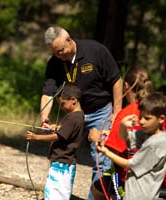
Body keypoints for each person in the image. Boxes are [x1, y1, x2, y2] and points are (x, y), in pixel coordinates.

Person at [40, 26, 123, 199]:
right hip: (74, 115)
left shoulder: (95, 51)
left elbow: (116, 80)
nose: (59, 55)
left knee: (102, 159)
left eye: (61, 50)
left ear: (69, 40)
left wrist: (117, 112)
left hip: (100, 111)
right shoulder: (55, 62)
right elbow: (48, 91)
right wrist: (44, 116)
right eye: (55, 52)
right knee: (62, 151)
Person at [89, 67, 166, 198]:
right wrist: (120, 127)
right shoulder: (157, 114)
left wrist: (96, 139)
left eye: (145, 119)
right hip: (165, 173)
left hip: (138, 177)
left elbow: (115, 151)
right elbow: (130, 138)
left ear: (126, 86)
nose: (141, 121)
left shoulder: (127, 112)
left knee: (98, 189)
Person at [96, 92, 166, 200]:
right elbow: (125, 138)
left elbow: (129, 164)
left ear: (161, 119)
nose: (141, 122)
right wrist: (123, 125)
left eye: (147, 118)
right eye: (141, 117)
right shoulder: (149, 134)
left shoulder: (155, 144)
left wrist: (106, 152)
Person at [25, 83, 84, 200]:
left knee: (55, 195)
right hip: (63, 163)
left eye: (62, 104)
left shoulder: (72, 118)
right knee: (54, 193)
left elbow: (58, 137)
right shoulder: (78, 116)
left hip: (62, 164)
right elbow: (66, 133)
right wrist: (56, 128)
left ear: (73, 100)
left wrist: (35, 137)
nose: (61, 107)